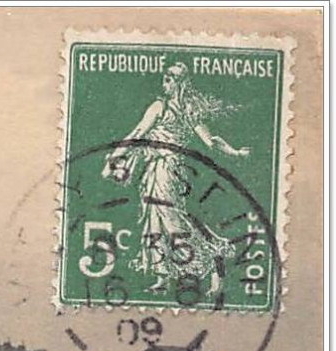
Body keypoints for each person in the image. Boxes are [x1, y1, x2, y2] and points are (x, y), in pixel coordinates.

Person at [102, 62, 251, 297]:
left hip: (165, 169)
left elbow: (139, 133)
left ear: (180, 83)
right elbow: (211, 141)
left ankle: (212, 261)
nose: (165, 81)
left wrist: (116, 155)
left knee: (172, 220)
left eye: (170, 78)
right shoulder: (187, 110)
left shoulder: (161, 107)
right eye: (165, 77)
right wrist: (235, 152)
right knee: (153, 218)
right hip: (160, 169)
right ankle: (162, 276)